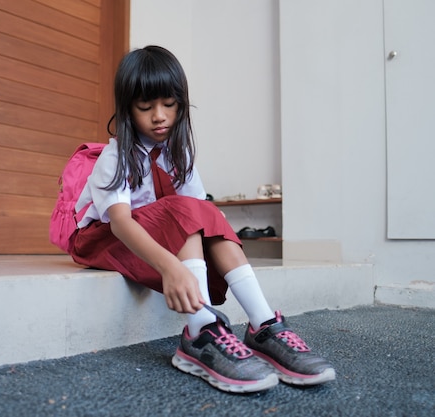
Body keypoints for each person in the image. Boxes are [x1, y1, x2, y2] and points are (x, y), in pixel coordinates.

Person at [69, 45, 335, 393]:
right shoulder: (116, 155)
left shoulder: (181, 153)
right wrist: (170, 267)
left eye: (169, 104)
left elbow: (199, 211)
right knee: (187, 209)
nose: (160, 116)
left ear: (182, 102)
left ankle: (264, 324)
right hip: (102, 240)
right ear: (127, 110)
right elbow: (120, 223)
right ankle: (200, 331)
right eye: (145, 107)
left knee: (204, 209)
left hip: (155, 232)